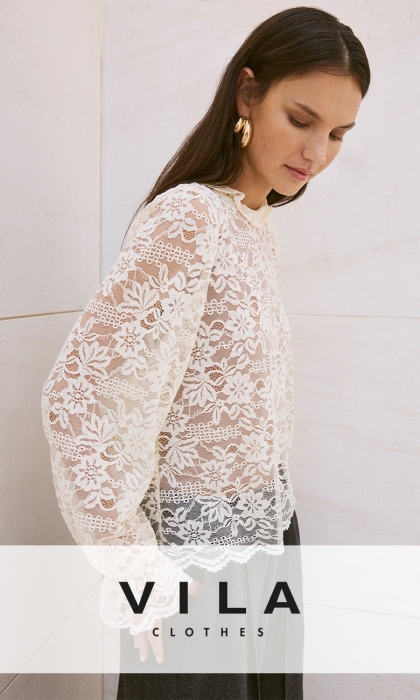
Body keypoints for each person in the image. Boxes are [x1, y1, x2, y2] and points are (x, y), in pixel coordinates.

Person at [41, 6, 370, 699]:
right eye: (302, 119)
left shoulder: (253, 225)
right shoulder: (190, 217)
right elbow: (76, 394)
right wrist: (133, 565)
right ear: (248, 95)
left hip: (269, 535)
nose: (317, 153)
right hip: (196, 565)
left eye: (338, 133)